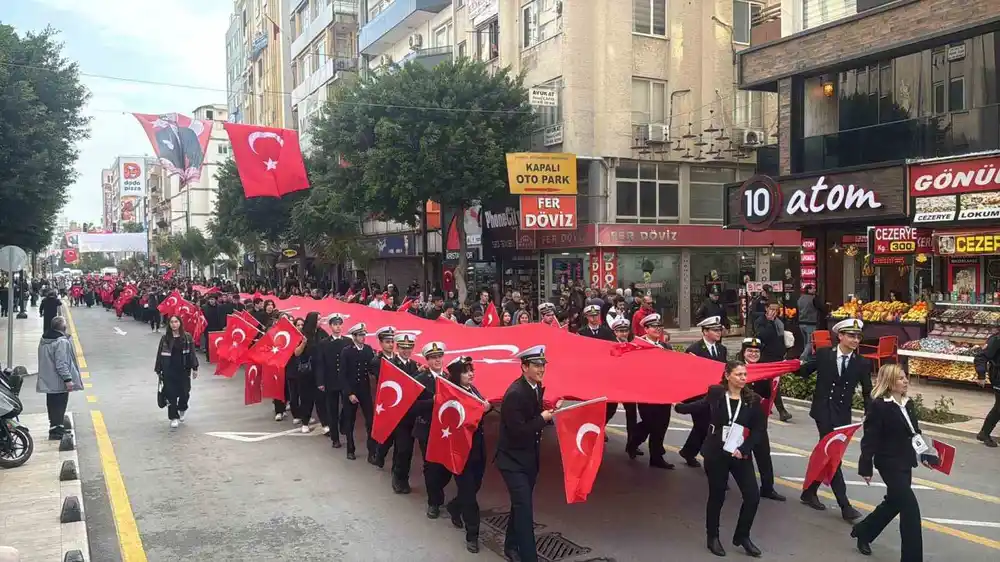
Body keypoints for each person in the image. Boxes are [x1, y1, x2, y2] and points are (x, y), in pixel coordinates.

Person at [675, 360, 765, 558]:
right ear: (727, 375)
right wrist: (679, 406)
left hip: (739, 452)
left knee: (752, 496)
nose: (743, 378)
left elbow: (759, 429)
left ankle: (743, 536)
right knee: (717, 496)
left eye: (744, 374)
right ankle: (713, 537)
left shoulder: (753, 399)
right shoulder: (716, 393)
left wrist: (744, 449)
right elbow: (700, 406)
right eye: (739, 374)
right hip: (716, 452)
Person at [852, 364, 930, 561]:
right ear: (889, 382)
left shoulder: (908, 403)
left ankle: (864, 531)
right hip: (888, 463)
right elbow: (870, 439)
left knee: (894, 503)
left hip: (905, 461)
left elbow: (915, 433)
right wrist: (865, 466)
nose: (906, 381)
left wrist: (925, 454)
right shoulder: (879, 406)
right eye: (901, 378)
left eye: (905, 377)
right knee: (910, 510)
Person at [796, 318, 871, 521]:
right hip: (823, 413)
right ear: (840, 336)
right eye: (851, 336)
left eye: (858, 337)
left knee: (828, 455)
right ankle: (845, 505)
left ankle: (809, 492)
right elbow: (803, 371)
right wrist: (784, 364)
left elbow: (867, 391)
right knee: (833, 455)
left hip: (842, 416)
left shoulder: (862, 363)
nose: (855, 340)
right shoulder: (824, 355)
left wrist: (869, 412)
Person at [496, 345, 557, 562]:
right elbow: (518, 431)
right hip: (512, 460)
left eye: (543, 365)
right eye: (536, 365)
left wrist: (546, 411)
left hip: (528, 459)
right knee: (524, 509)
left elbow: (532, 415)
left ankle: (511, 546)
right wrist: (543, 419)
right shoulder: (515, 393)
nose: (541, 369)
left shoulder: (535, 386)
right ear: (524, 367)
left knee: (519, 505)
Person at [444, 356, 491, 554]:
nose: (470, 374)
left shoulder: (473, 390)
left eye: (471, 370)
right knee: (470, 494)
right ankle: (472, 535)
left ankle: (455, 507)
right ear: (456, 375)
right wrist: (481, 410)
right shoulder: (453, 395)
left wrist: (486, 408)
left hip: (477, 449)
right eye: (465, 372)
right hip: (460, 451)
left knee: (474, 486)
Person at [738, 338, 785, 502]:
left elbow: (771, 393)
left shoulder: (765, 371)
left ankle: (767, 488)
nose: (753, 354)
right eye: (750, 351)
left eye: (756, 351)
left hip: (758, 422)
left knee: (764, 455)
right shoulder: (736, 369)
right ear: (743, 352)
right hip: (739, 421)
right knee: (738, 455)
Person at [626, 314, 674, 469]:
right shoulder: (638, 346)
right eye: (654, 326)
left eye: (659, 326)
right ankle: (633, 442)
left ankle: (656, 457)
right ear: (646, 329)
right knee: (650, 423)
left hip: (664, 393)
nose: (657, 329)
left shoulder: (666, 347)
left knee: (662, 425)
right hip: (646, 393)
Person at [680, 316, 728, 468]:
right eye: (715, 330)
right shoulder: (694, 350)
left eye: (719, 330)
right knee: (702, 425)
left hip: (715, 395)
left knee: (708, 425)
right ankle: (695, 453)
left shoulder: (722, 349)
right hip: (698, 395)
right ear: (705, 332)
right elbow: (688, 374)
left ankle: (688, 451)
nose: (718, 332)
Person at [413, 341, 454, 518]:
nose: (437, 360)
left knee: (446, 467)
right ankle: (433, 502)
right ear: (427, 360)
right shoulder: (420, 380)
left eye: (439, 357)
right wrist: (433, 401)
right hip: (427, 428)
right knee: (431, 467)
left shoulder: (450, 378)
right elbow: (413, 406)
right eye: (433, 358)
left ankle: (437, 489)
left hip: (446, 429)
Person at [36, 316, 84, 440]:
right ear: (63, 327)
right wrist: (67, 379)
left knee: (52, 404)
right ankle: (57, 430)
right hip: (59, 380)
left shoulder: (44, 339)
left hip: (48, 379)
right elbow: (61, 363)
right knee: (60, 404)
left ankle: (54, 427)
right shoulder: (61, 342)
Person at [387, 333, 421, 493]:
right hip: (397, 415)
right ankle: (398, 478)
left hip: (412, 414)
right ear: (397, 347)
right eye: (403, 348)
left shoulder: (414, 365)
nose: (406, 351)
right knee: (402, 448)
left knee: (407, 450)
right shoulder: (391, 365)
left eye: (409, 348)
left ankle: (402, 477)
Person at [154, 315, 199, 428]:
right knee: (171, 394)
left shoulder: (187, 337)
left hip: (183, 370)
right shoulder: (165, 338)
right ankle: (173, 417)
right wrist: (158, 369)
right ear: (169, 324)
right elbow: (160, 354)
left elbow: (192, 353)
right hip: (169, 370)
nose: (174, 324)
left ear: (180, 323)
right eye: (172, 322)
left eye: (176, 322)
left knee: (185, 393)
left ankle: (182, 408)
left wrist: (195, 368)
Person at [340, 322, 376, 461]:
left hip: (364, 390)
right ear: (354, 336)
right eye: (360, 335)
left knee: (370, 421)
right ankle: (350, 449)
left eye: (364, 335)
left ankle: (371, 451)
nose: (363, 337)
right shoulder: (347, 351)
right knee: (350, 420)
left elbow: (372, 368)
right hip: (351, 390)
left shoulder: (368, 350)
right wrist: (349, 393)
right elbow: (343, 374)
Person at [606, 317, 642, 455]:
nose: (623, 334)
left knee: (631, 415)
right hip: (613, 386)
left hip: (628, 386)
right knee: (609, 411)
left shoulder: (633, 346)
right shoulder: (610, 346)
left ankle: (631, 445)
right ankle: (596, 432)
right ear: (615, 332)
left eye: (625, 331)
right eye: (620, 331)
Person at [754, 301, 793, 422]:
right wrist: (770, 322)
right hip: (765, 357)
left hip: (777, 356)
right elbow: (763, 336)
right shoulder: (761, 321)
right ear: (766, 309)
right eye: (771, 309)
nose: (774, 312)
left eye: (776, 310)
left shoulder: (779, 321)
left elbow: (780, 338)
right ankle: (782, 411)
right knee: (773, 384)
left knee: (771, 384)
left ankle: (764, 405)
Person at [317, 314, 350, 448]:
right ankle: (335, 438)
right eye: (335, 324)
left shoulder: (347, 341)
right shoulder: (324, 343)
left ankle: (343, 424)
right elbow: (320, 363)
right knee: (332, 410)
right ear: (330, 326)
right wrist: (320, 381)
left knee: (347, 407)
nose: (338, 327)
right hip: (330, 380)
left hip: (344, 380)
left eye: (340, 324)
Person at [370, 325, 398, 467]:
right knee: (386, 431)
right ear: (380, 343)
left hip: (398, 399)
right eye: (387, 342)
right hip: (385, 400)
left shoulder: (398, 359)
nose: (391, 345)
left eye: (392, 341)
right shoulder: (376, 361)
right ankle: (380, 455)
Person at [973, 330, 1000, 447]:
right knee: (999, 407)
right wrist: (981, 375)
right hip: (998, 377)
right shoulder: (996, 339)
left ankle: (984, 433)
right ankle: (984, 433)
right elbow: (981, 356)